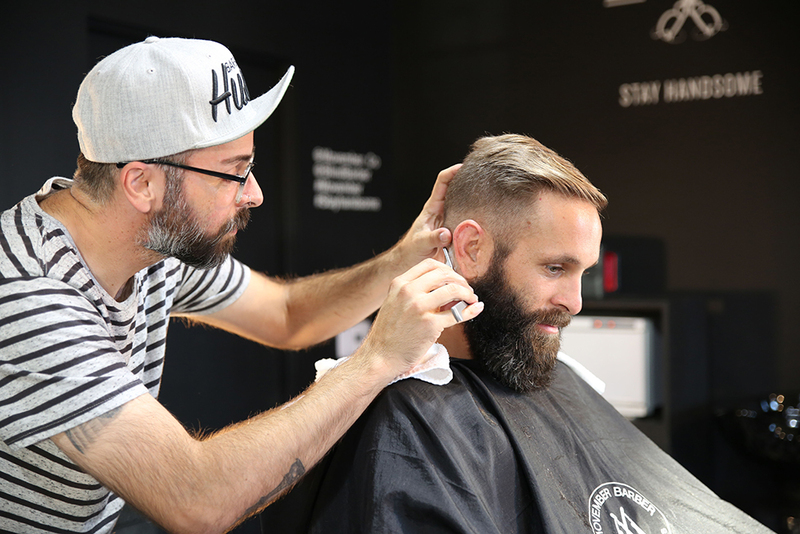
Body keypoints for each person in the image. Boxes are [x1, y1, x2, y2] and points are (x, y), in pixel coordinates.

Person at [0, 37, 483, 534]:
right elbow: (197, 500)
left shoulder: (151, 244)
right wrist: (377, 359)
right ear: (141, 184)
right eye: (234, 173)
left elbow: (287, 314)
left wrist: (403, 257)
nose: (254, 194)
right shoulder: (26, 296)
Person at [263, 134, 774, 533]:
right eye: (554, 268)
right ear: (470, 249)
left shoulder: (560, 381)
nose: (575, 302)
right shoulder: (403, 420)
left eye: (583, 273)